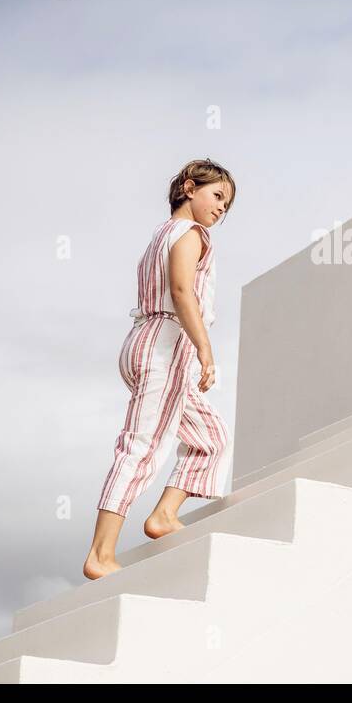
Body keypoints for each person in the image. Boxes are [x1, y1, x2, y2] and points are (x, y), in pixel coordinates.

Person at [83, 158, 236, 580]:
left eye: (227, 205)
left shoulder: (159, 237)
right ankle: (101, 555)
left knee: (212, 439)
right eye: (217, 196)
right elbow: (182, 291)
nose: (221, 209)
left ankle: (164, 516)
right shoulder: (192, 234)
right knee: (142, 447)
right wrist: (205, 349)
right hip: (165, 345)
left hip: (147, 341)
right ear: (189, 187)